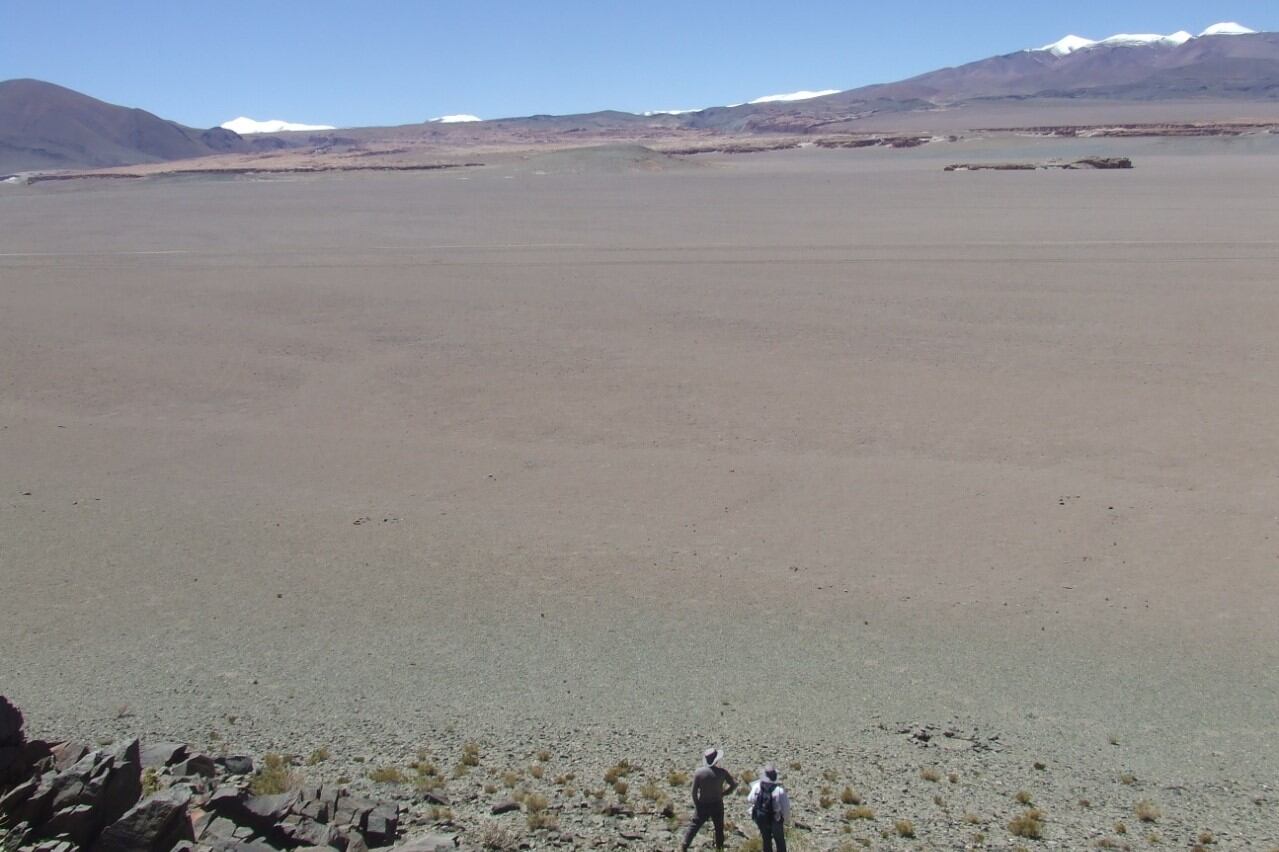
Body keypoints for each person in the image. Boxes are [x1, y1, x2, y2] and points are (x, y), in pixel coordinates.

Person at [680, 747, 737, 850]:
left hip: (703, 803)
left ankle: (684, 846)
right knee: (719, 828)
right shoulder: (722, 772)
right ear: (716, 759)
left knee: (694, 826)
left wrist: (697, 804)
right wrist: (724, 793)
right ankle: (719, 849)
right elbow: (734, 784)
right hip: (717, 803)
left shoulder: (699, 773)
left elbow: (693, 792)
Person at [747, 763, 792, 852]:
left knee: (766, 840)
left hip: (762, 818)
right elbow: (786, 809)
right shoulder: (779, 791)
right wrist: (785, 820)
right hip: (776, 820)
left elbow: (750, 799)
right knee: (780, 841)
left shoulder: (757, 786)